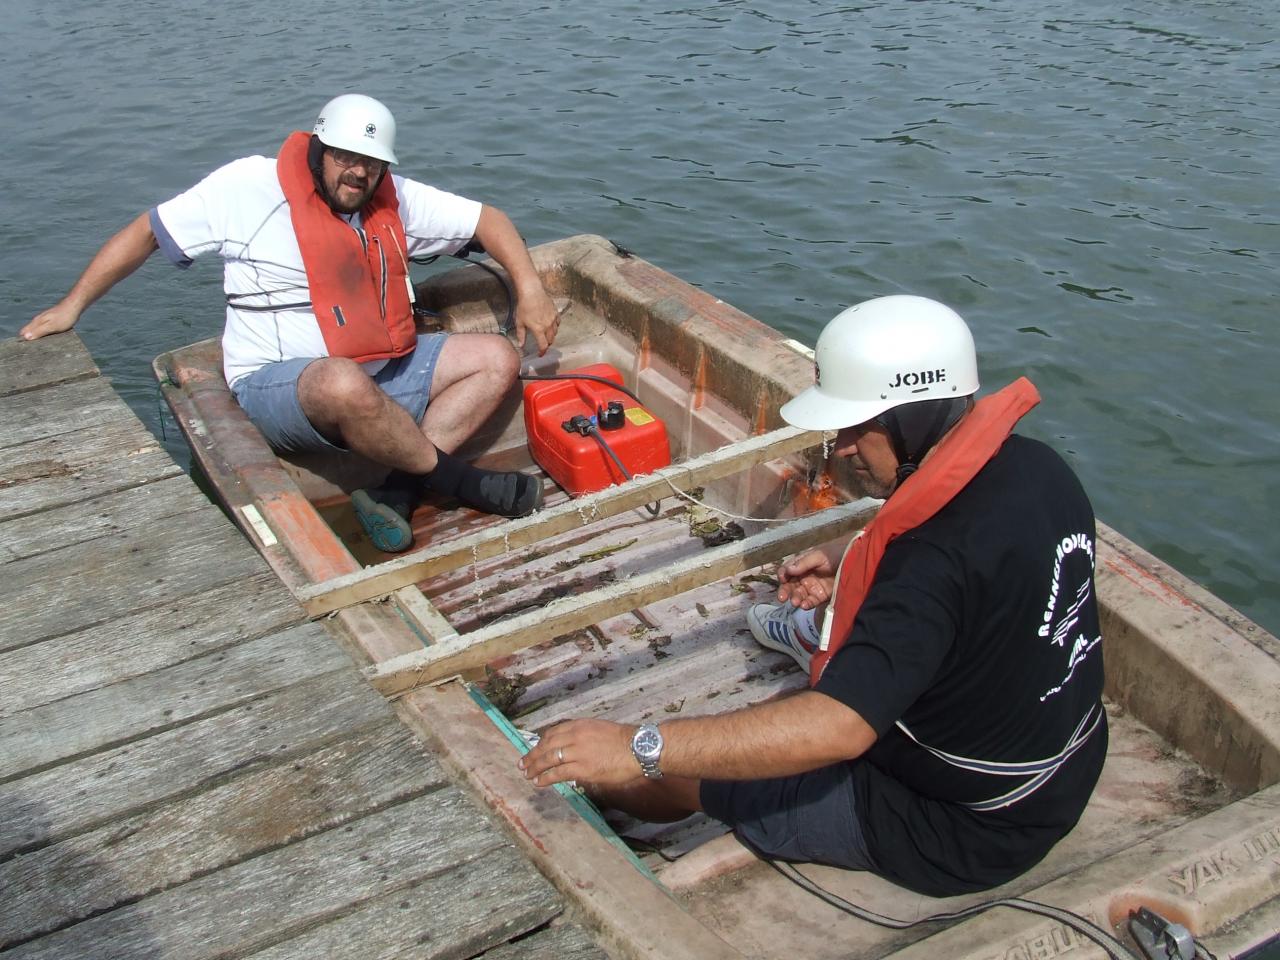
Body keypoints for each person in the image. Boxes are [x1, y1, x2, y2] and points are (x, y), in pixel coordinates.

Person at [519, 295, 1107, 897]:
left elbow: (840, 729)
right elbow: (967, 560)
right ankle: (833, 651)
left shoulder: (929, 565)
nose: (842, 445)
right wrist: (853, 553)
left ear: (915, 417)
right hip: (1063, 767)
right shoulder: (1038, 468)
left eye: (858, 425)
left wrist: (636, 746)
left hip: (961, 827)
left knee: (673, 775)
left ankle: (600, 765)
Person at [20, 93, 560, 553]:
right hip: (276, 385)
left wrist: (531, 291)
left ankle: (398, 489)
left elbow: (490, 221)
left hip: (377, 368)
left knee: (497, 358)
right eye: (347, 156)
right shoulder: (246, 187)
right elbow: (146, 232)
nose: (358, 172)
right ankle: (459, 481)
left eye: (372, 163)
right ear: (320, 148)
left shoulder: (388, 200)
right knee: (340, 381)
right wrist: (72, 306)